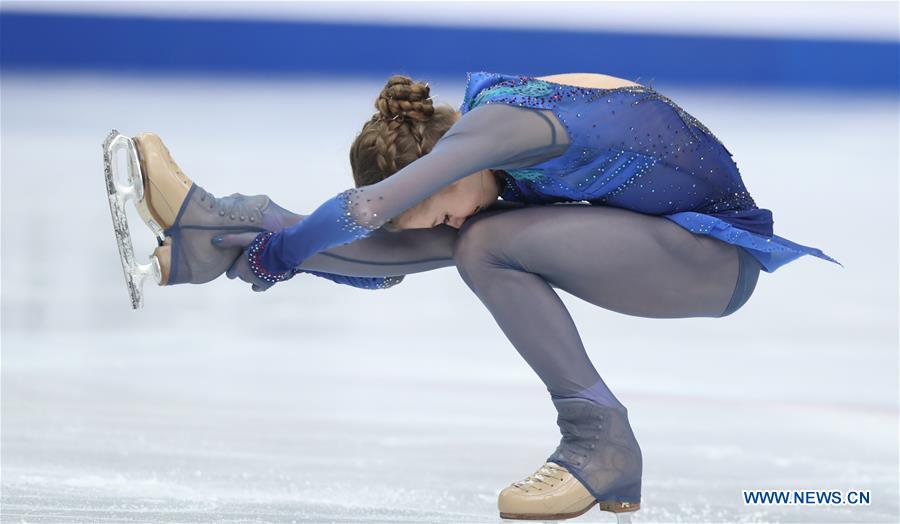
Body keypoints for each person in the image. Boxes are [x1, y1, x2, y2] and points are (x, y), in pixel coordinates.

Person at [124, 71, 841, 521]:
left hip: (712, 259)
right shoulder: (486, 150)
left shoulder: (499, 129)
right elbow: (387, 254)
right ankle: (212, 234)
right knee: (472, 239)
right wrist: (274, 251)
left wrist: (279, 256)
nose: (453, 213)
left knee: (481, 242)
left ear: (439, 164)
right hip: (657, 241)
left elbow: (371, 210)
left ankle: (601, 441)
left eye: (440, 203)